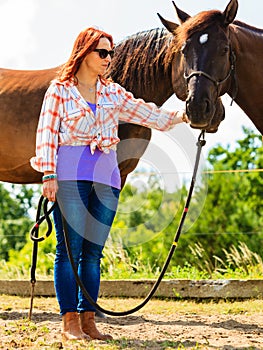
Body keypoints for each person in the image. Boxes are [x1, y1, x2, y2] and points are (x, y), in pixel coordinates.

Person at [30, 26, 188, 341]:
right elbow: (46, 134)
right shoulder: (59, 91)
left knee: (92, 253)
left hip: (106, 179)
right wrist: (48, 174)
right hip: (69, 177)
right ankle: (69, 323)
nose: (108, 58)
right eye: (102, 52)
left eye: (111, 53)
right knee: (70, 251)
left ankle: (88, 321)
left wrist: (184, 116)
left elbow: (148, 114)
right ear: (84, 53)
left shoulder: (113, 92)